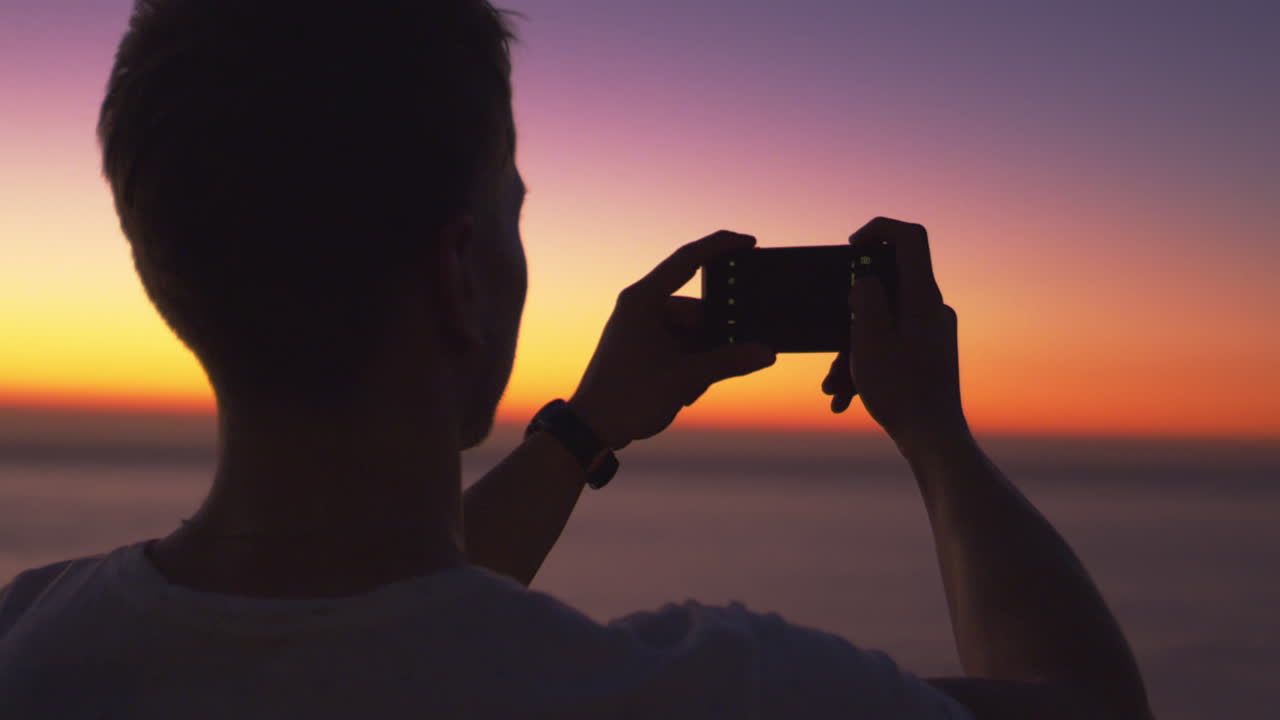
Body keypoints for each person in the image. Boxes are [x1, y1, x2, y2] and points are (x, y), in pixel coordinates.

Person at [0, 1, 1153, 718]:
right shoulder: (717, 691)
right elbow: (1088, 709)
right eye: (511, 209)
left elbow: (366, 619)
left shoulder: (29, 636)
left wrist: (583, 426)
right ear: (459, 273)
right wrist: (935, 434)